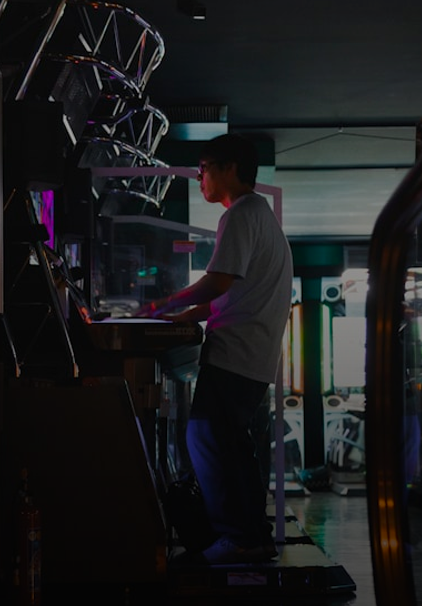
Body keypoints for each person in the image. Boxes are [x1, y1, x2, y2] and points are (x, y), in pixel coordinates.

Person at [136, 133, 293, 564]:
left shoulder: (242, 213)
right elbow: (227, 296)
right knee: (230, 445)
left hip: (237, 354)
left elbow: (219, 281)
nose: (200, 177)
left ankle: (238, 537)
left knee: (205, 437)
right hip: (252, 355)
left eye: (204, 168)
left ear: (229, 169)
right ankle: (251, 534)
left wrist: (163, 303)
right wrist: (182, 317)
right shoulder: (257, 216)